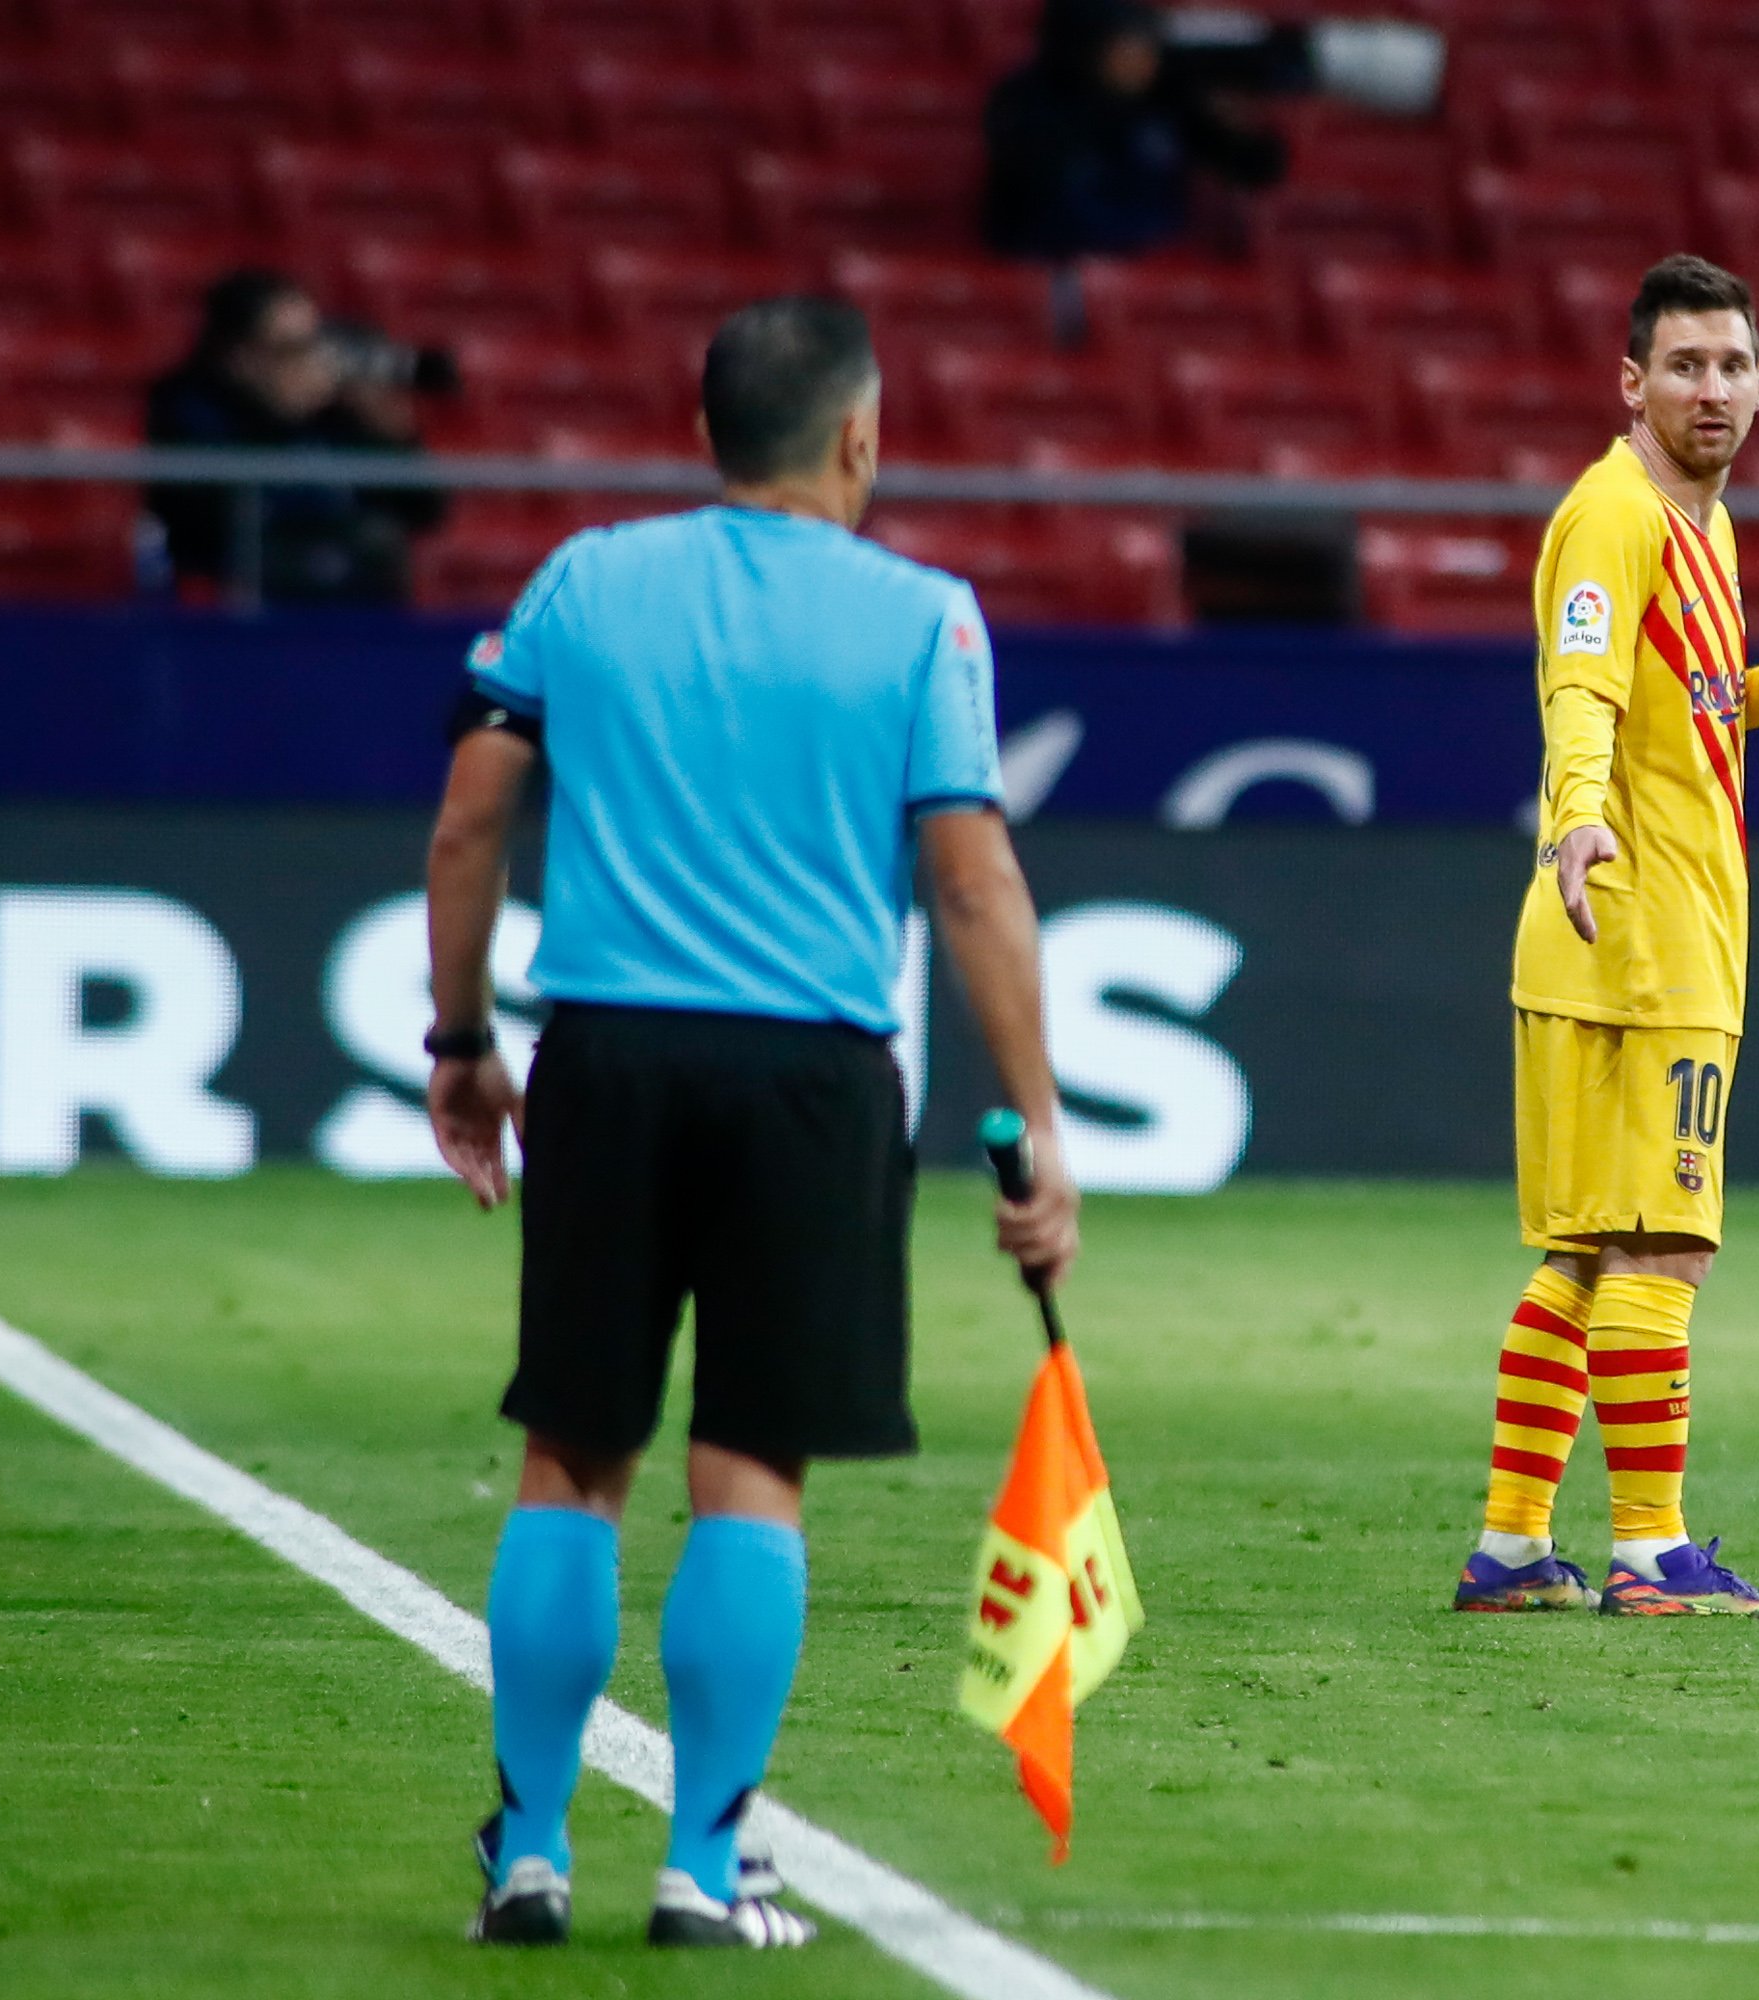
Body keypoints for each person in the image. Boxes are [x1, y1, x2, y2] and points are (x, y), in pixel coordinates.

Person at [421, 295, 1080, 1948]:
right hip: (808, 1078)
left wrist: (460, 1038)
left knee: (570, 1455)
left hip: (610, 1056)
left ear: (707, 433)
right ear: (860, 437)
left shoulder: (582, 580)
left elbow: (470, 820)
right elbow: (972, 875)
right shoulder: (926, 617)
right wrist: (1043, 1113)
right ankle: (708, 1868)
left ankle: (532, 1846)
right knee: (749, 1473)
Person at [1452, 255, 1759, 1621]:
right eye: (1685, 365)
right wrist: (1573, 825)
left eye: (1733, 365)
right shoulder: (1615, 516)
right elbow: (1584, 691)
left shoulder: (1699, 525)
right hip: (1639, 937)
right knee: (1667, 1248)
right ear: (1632, 383)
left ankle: (1509, 1550)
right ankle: (1655, 1555)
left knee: (1588, 1254)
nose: (1712, 388)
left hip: (1610, 938)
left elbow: (1692, 708)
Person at [142, 268, 447, 606]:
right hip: (242, 606)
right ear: (239, 357)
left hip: (352, 604)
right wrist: (282, 418)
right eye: (291, 349)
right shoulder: (189, 406)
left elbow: (424, 511)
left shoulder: (335, 413)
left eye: (315, 344)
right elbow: (203, 520)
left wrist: (393, 437)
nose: (312, 361)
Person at [981, 0, 1289, 263]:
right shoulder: (1027, 99)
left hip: (1156, 259)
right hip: (1052, 259)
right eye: (1129, 45)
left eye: (1147, 45)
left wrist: (1237, 129)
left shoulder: (1166, 95)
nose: (1144, 59)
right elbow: (1040, 190)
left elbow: (1255, 168)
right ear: (1089, 46)